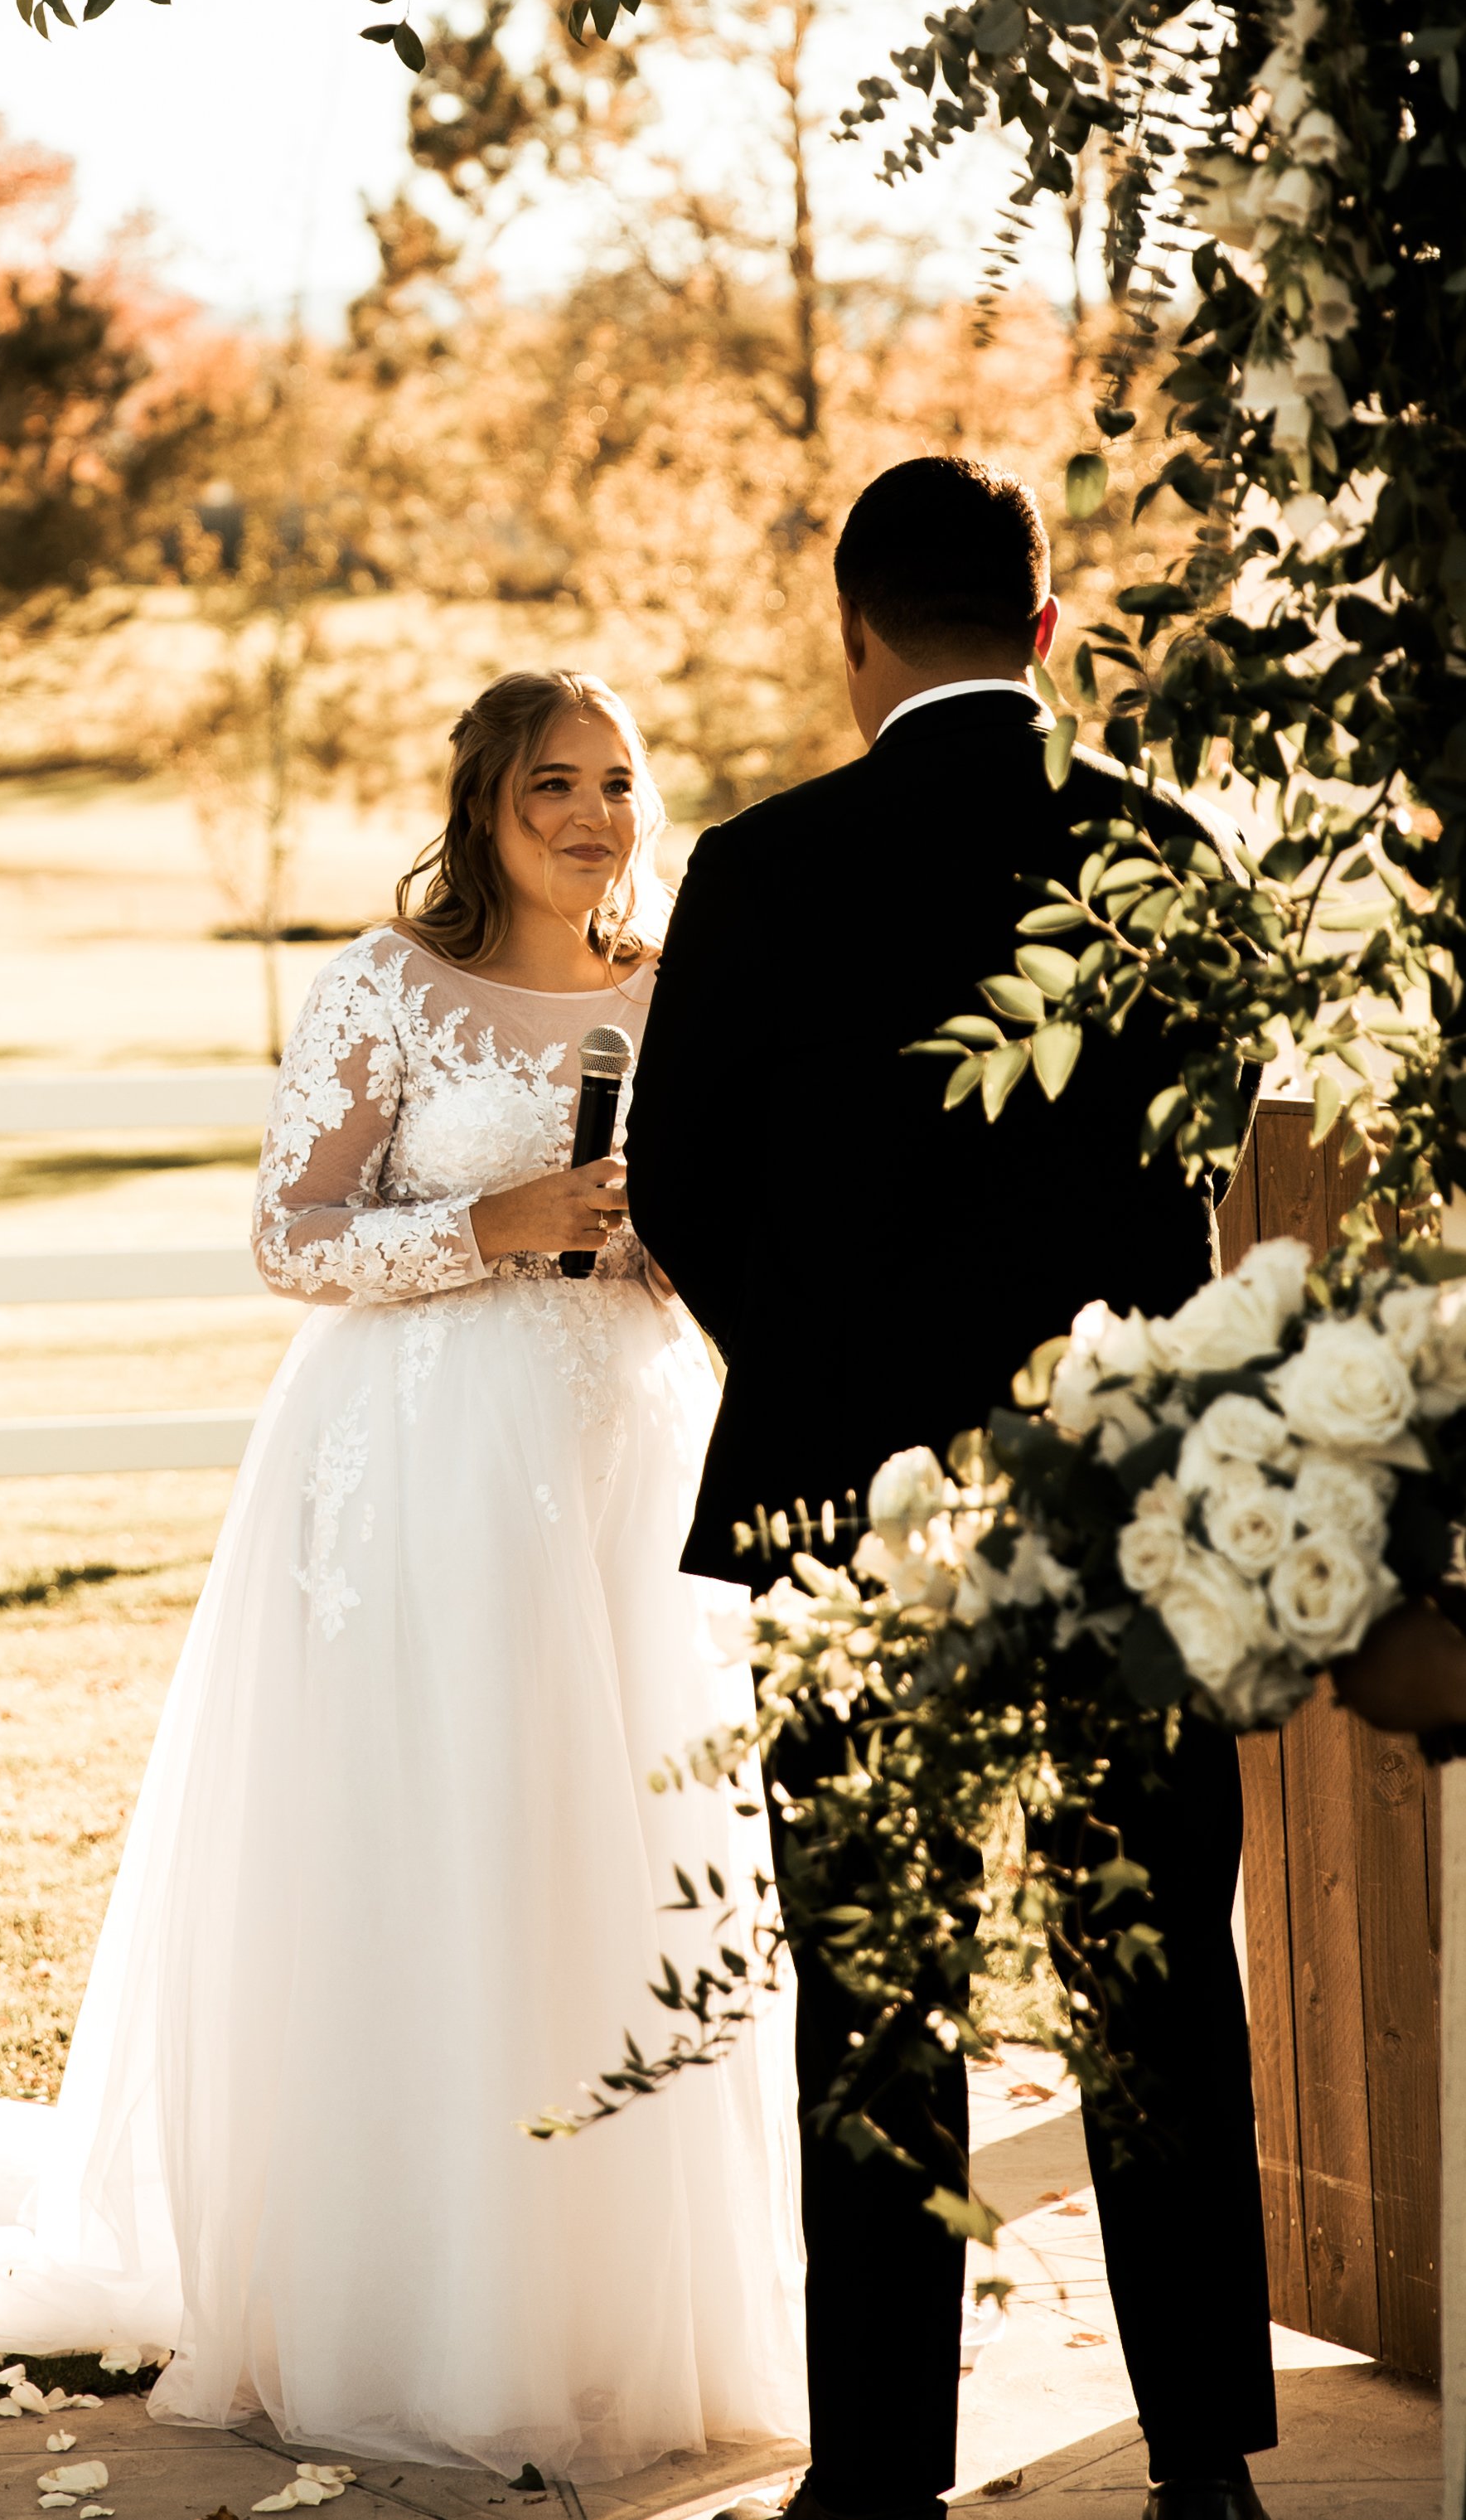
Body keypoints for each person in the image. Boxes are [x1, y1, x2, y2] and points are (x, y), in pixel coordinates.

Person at [0, 669, 806, 2484]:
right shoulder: (384, 986)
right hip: (419, 1464)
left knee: (617, 1849)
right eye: (553, 783)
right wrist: (492, 1227)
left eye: (621, 785)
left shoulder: (681, 990)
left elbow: (735, 1227)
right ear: (482, 802)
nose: (593, 816)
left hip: (627, 1460)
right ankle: (408, 2299)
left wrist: (666, 1246)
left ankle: (611, 2305)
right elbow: (288, 1234)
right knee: (434, 1844)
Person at [626, 458, 1275, 2520]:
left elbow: (676, 1184)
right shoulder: (1170, 855)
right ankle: (1206, 2464)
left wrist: (835, 1390)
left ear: (853, 640)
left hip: (852, 1523)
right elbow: (1210, 1141)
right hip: (1127, 1507)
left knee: (875, 1985)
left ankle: (882, 2478)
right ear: (1047, 626)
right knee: (1157, 1969)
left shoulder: (760, 864)